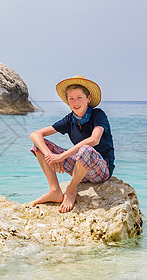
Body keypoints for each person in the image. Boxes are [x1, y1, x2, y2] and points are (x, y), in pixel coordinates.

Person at [29, 75, 115, 213]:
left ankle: (71, 190)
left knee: (86, 149)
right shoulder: (69, 119)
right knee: (39, 146)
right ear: (68, 101)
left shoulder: (98, 115)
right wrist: (50, 156)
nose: (75, 102)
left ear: (88, 99)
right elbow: (35, 134)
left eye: (79, 97)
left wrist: (62, 156)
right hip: (80, 169)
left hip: (101, 170)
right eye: (71, 99)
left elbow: (94, 139)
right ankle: (55, 191)